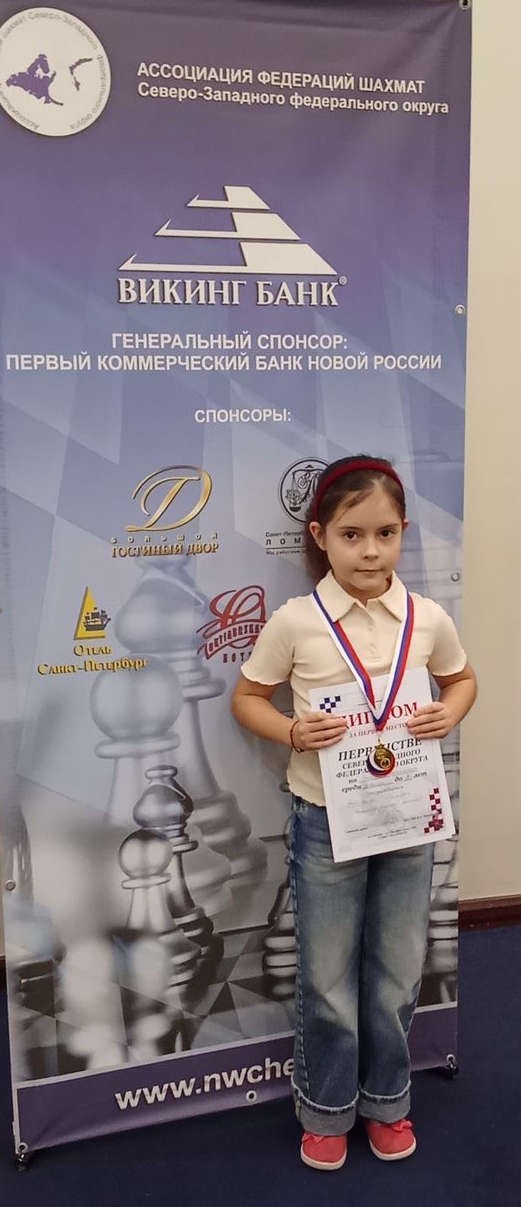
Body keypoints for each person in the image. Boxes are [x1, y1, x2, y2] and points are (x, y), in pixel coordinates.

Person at [231, 455, 477, 1171]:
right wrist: (291, 730)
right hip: (324, 820)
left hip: (408, 818)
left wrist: (449, 712)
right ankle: (327, 1108)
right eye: (351, 535)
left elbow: (462, 679)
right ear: (320, 535)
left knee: (398, 968)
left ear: (403, 533)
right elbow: (247, 698)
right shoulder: (296, 622)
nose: (370, 551)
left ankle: (388, 1101)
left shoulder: (427, 617)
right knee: (327, 974)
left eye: (385, 534)